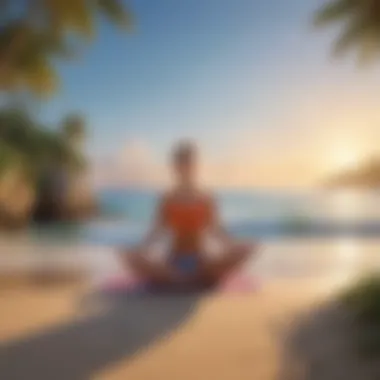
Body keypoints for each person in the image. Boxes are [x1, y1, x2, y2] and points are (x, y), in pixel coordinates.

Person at [121, 141, 256, 288]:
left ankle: (183, 279)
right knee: (131, 256)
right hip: (173, 260)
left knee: (244, 249)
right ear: (175, 166)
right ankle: (182, 278)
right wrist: (141, 251)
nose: (185, 167)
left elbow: (216, 230)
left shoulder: (206, 198)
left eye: (189, 162)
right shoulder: (167, 198)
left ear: (195, 165)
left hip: (201, 261)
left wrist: (232, 248)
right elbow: (157, 231)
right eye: (182, 162)